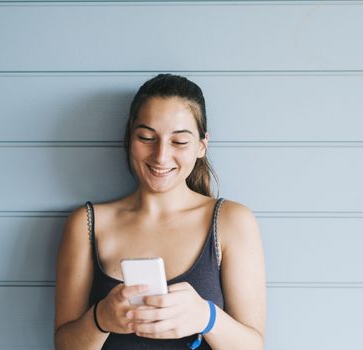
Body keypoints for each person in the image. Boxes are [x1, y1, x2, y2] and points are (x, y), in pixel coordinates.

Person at [54, 74, 266, 349]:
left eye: (179, 142)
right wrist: (101, 318)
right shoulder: (86, 224)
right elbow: (64, 345)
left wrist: (207, 317)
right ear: (130, 137)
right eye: (146, 137)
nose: (161, 156)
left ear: (202, 145)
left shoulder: (231, 221)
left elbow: (254, 345)